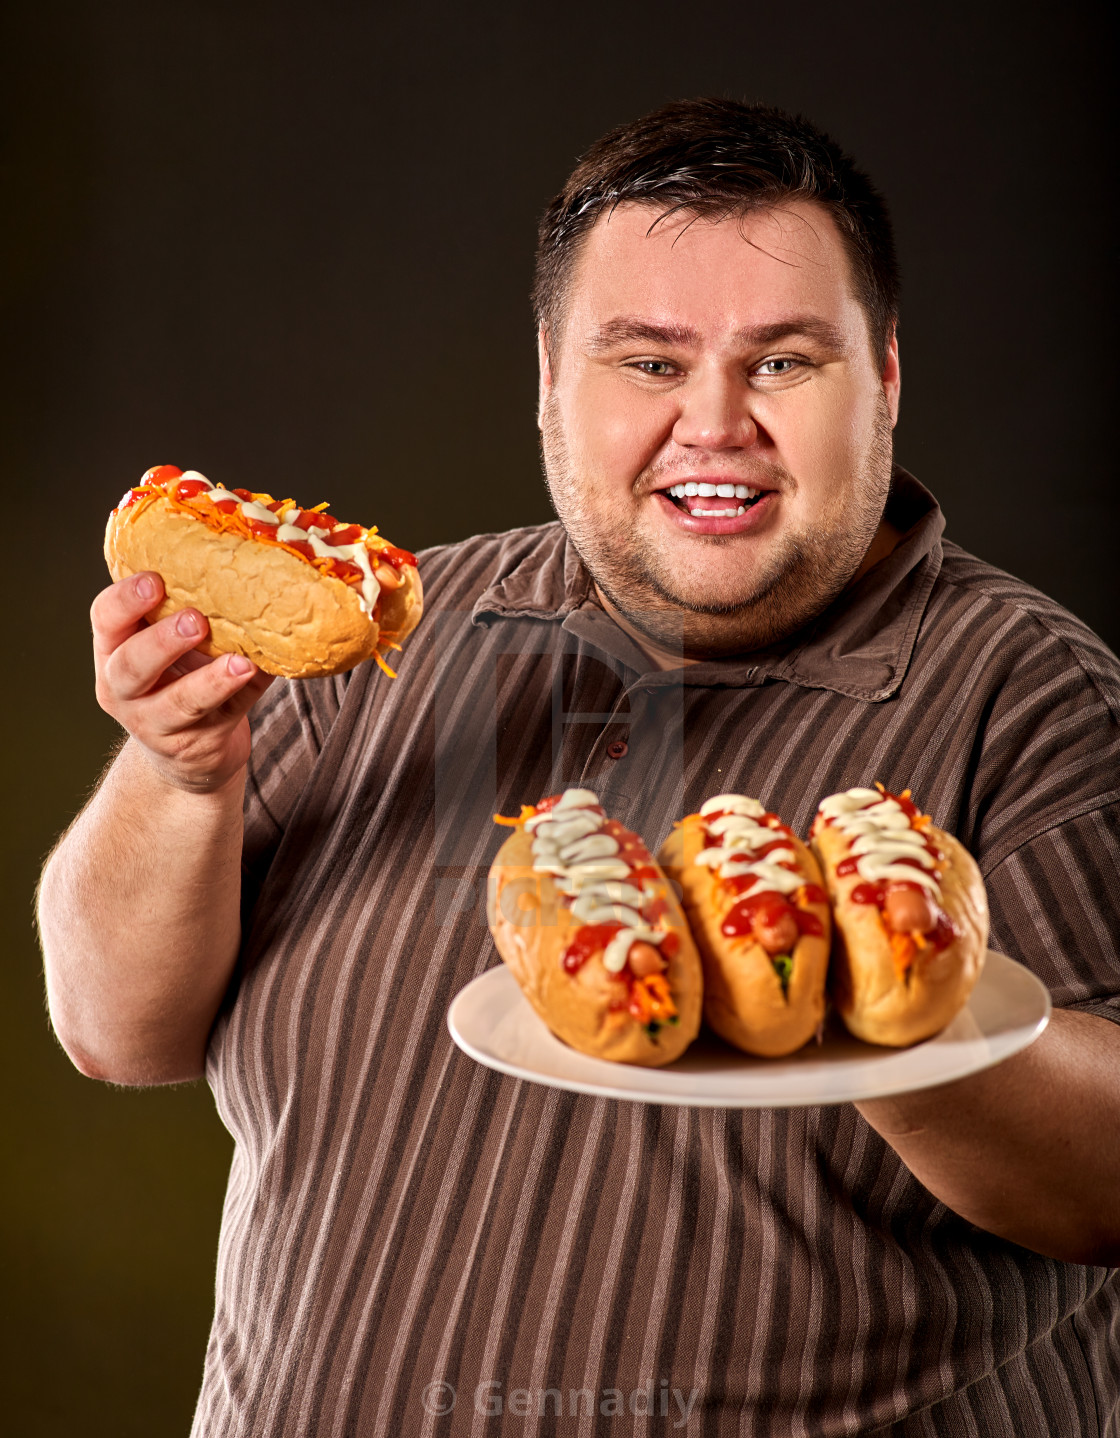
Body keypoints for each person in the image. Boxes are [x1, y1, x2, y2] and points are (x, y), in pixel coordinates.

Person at [38, 100, 1119, 1436]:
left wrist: (872, 1007)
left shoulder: (1028, 692)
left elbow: (1109, 1189)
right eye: (650, 363)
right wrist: (182, 769)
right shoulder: (391, 633)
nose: (715, 423)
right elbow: (111, 1024)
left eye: (782, 362)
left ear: (884, 378)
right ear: (551, 377)